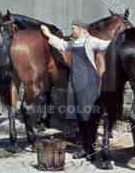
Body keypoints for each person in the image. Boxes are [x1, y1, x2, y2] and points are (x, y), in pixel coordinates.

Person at [40, 21, 111, 161]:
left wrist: (120, 37)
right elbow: (61, 44)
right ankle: (85, 148)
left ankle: (90, 149)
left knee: (89, 117)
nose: (71, 30)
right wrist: (47, 34)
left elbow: (106, 44)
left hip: (89, 84)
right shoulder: (74, 43)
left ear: (82, 29)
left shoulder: (91, 41)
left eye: (73, 28)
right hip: (76, 84)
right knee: (80, 117)